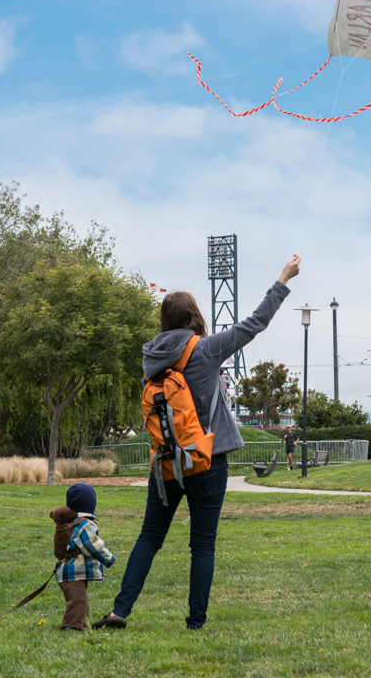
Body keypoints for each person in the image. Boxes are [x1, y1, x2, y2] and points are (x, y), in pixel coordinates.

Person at [94, 254, 301, 631]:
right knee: (202, 544)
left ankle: (120, 610)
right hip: (208, 459)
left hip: (166, 463)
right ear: (193, 317)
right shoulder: (204, 349)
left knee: (150, 537)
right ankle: (195, 623)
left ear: (164, 321)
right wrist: (283, 279)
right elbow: (255, 324)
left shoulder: (151, 359)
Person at [50, 483, 116, 631]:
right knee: (78, 601)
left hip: (71, 571)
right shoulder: (86, 524)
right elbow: (92, 544)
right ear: (90, 503)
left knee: (82, 601)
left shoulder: (72, 522)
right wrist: (108, 558)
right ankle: (70, 626)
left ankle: (82, 625)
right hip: (72, 571)